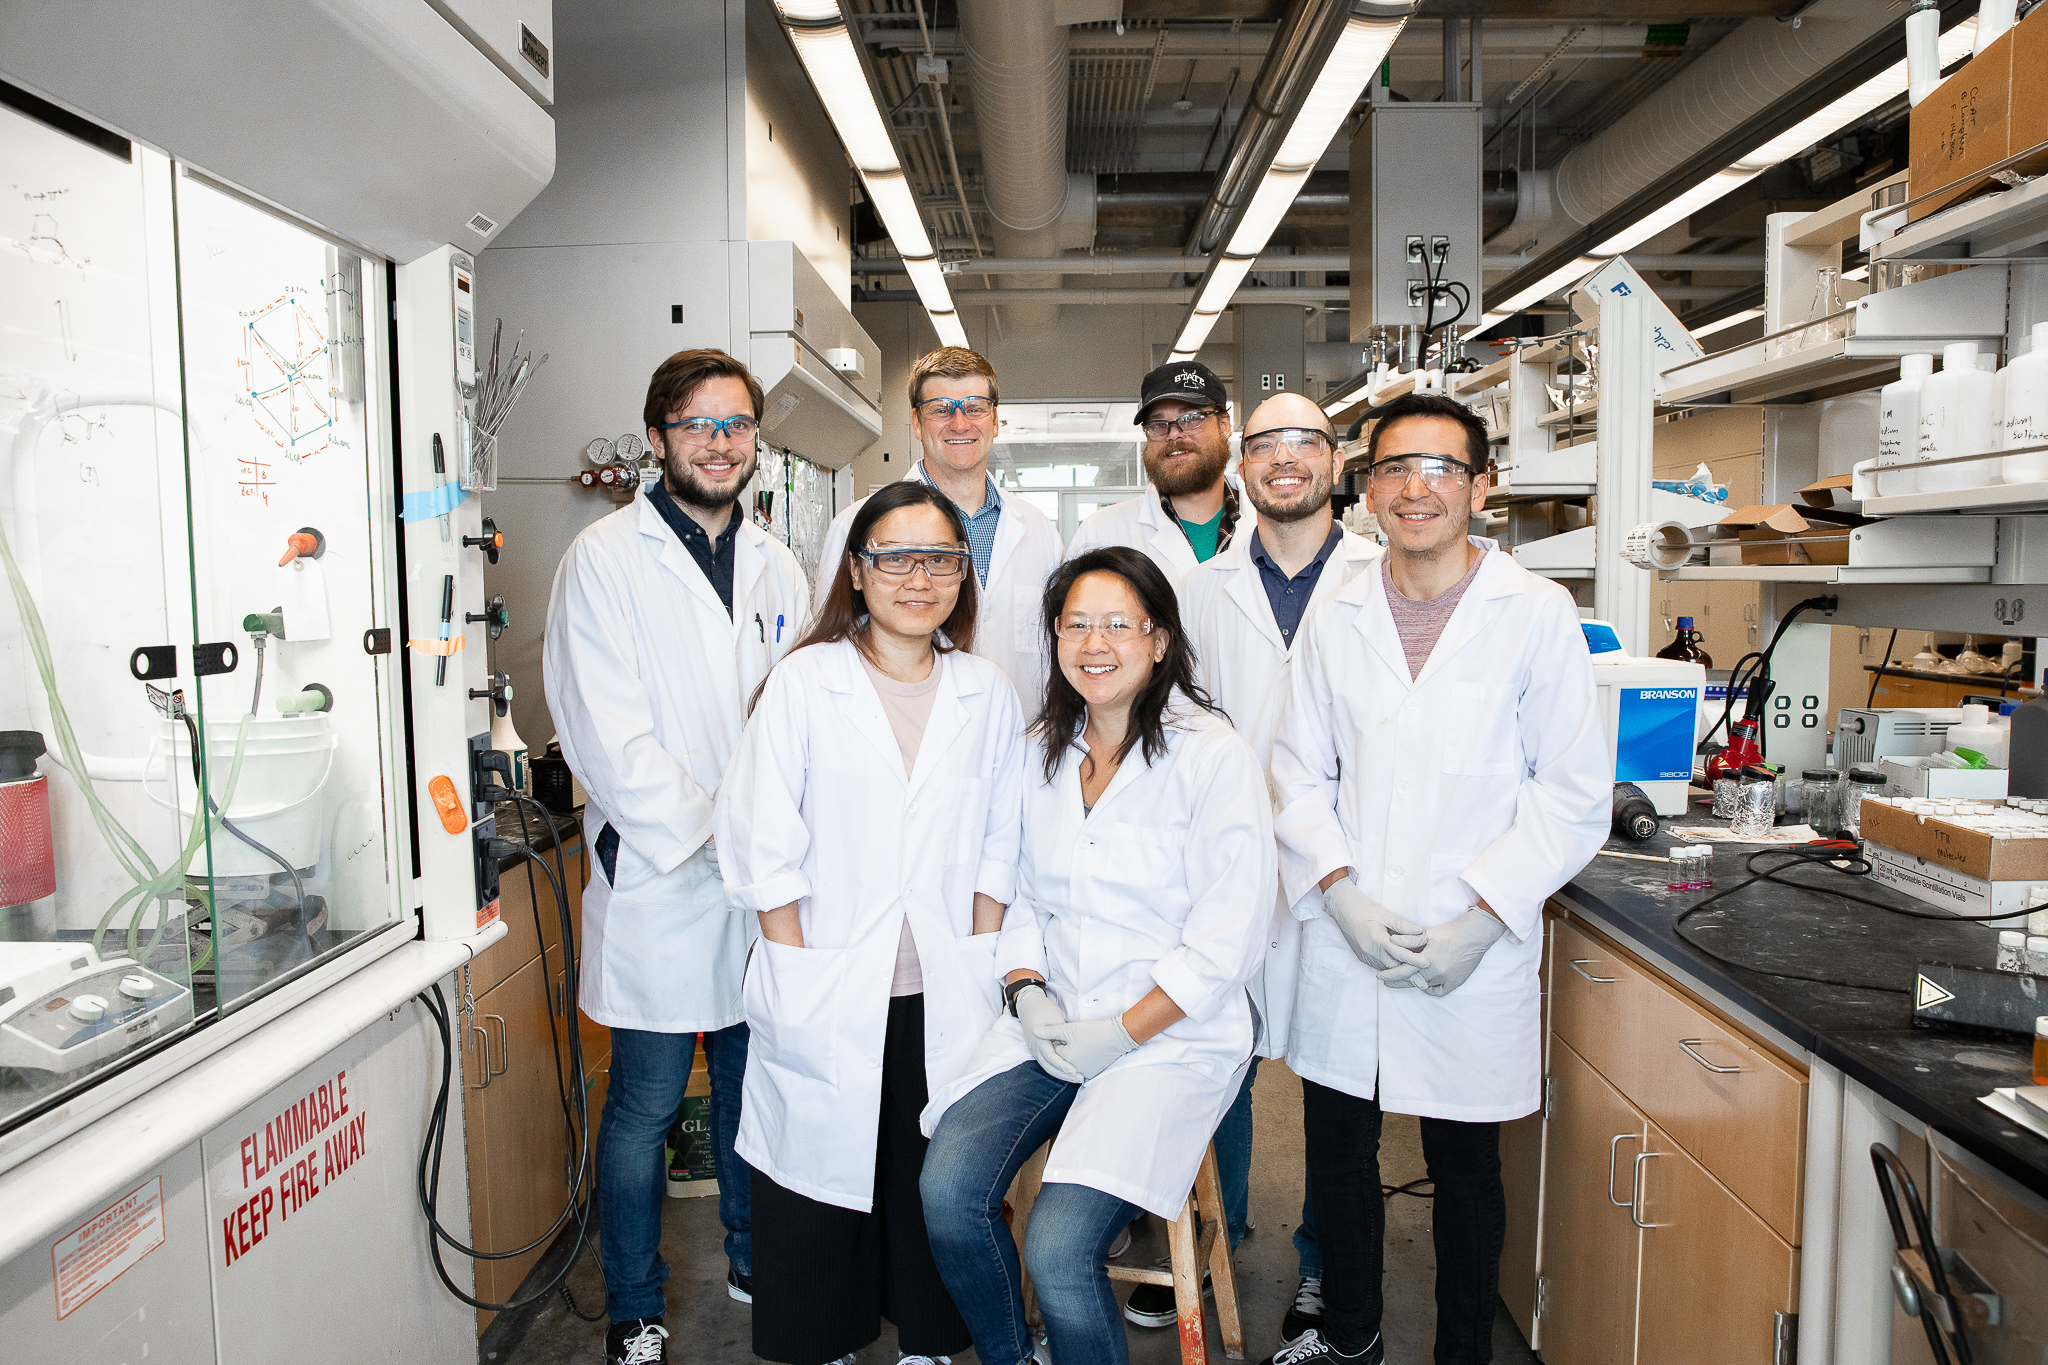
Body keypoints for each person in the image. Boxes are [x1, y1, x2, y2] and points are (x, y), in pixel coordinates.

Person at [1263, 393, 1610, 1365]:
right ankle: (1350, 1339)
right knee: (1337, 1160)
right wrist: (1335, 889)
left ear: (1480, 486)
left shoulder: (1535, 615)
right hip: (1351, 937)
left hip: (1472, 943)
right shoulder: (1334, 621)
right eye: (1393, 469)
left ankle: (1461, 1352)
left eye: (1440, 468)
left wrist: (1484, 916)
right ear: (1366, 490)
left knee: (1464, 1173)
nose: (1414, 488)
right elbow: (1295, 770)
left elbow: (1572, 790)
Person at [921, 546, 1276, 1365]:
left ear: (1158, 640)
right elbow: (1011, 890)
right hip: (1050, 1020)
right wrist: (1025, 987)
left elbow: (1229, 938)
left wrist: (1122, 1031)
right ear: (1053, 638)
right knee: (947, 1192)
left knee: (1057, 1248)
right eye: (1076, 623)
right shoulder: (1042, 748)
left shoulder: (1210, 756)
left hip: (1165, 1038)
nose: (1095, 642)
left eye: (1119, 623)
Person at [714, 481, 1026, 1365]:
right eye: (895, 557)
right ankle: (825, 1340)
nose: (917, 577)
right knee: (817, 1179)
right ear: (858, 571)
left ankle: (928, 1339)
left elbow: (1002, 843)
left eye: (940, 558)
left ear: (964, 575)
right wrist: (795, 970)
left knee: (924, 1175)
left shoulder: (986, 691)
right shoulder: (806, 683)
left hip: (942, 983)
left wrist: (978, 947)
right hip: (826, 976)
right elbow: (760, 840)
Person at [543, 348, 811, 1365]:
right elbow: (604, 733)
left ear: (754, 440)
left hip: (754, 885)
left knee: (752, 1088)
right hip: (661, 875)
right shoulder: (603, 560)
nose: (718, 442)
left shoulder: (776, 564)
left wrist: (766, 834)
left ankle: (749, 1255)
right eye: (697, 424)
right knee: (645, 1108)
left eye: (735, 424)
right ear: (657, 438)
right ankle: (636, 1305)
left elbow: (792, 718)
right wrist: (716, 830)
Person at [1175, 391, 1382, 1340]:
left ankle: (1322, 1271)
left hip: (1351, 874)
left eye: (1305, 441)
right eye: (1265, 443)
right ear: (1240, 464)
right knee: (1214, 1066)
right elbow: (1178, 730)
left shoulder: (1390, 579)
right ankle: (1194, 1241)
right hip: (1238, 868)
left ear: (1335, 462)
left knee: (1342, 1106)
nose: (1285, 458)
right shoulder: (1204, 592)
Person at [817, 347, 1063, 701]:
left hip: (1021, 740)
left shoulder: (1040, 530)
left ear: (995, 421)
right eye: (941, 410)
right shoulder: (856, 525)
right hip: (906, 737)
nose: (960, 423)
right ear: (916, 423)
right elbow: (834, 646)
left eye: (975, 408)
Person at [1066, 361, 1240, 580]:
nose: (1174, 434)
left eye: (1191, 419)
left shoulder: (1270, 521)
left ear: (1224, 425)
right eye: (1158, 424)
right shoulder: (1102, 533)